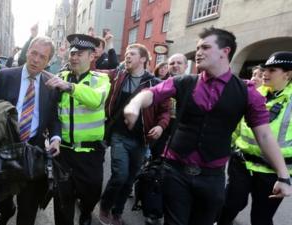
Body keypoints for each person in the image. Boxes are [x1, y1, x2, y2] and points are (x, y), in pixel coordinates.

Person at [123, 27, 292, 225]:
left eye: (205, 47)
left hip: (212, 177)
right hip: (175, 170)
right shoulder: (184, 81)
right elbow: (152, 92)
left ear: (225, 51)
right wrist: (134, 104)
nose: (199, 52)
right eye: (197, 47)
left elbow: (264, 136)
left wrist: (283, 176)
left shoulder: (248, 93)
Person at [0, 36, 61, 225]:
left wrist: (56, 137)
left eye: (42, 57)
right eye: (33, 53)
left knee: (28, 208)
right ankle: (7, 210)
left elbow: (52, 117)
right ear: (27, 52)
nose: (35, 59)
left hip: (32, 150)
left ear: (48, 61)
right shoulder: (4, 76)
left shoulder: (52, 86)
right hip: (4, 146)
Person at [99, 43, 171, 225]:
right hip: (118, 136)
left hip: (141, 141)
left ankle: (117, 212)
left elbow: (165, 110)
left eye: (132, 54)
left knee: (130, 179)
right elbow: (96, 72)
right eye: (127, 53)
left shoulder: (155, 84)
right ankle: (105, 206)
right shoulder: (118, 76)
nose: (127, 57)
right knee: (120, 175)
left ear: (143, 59)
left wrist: (161, 126)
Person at [217, 51, 292, 225]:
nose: (265, 73)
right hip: (242, 163)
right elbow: (239, 126)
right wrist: (223, 148)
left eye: (272, 70)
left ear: (287, 74)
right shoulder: (254, 94)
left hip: (273, 171)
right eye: (265, 69)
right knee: (231, 204)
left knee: (261, 217)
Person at [45, 34, 111, 225]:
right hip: (63, 152)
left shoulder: (101, 79)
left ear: (92, 56)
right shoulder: (60, 77)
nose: (74, 57)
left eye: (79, 53)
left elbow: (96, 101)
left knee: (91, 193)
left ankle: (87, 211)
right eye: (72, 53)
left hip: (90, 153)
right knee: (62, 201)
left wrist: (69, 87)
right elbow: (52, 112)